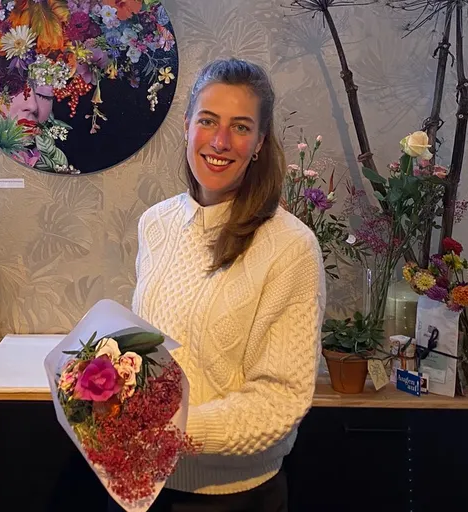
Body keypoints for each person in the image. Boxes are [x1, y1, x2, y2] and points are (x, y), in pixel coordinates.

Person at [124, 58, 327, 511]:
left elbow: (279, 400)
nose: (220, 141)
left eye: (240, 127)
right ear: (186, 126)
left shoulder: (290, 247)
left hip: (234, 497)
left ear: (259, 143)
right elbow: (153, 353)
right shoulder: (155, 223)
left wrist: (175, 433)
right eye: (208, 121)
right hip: (144, 483)